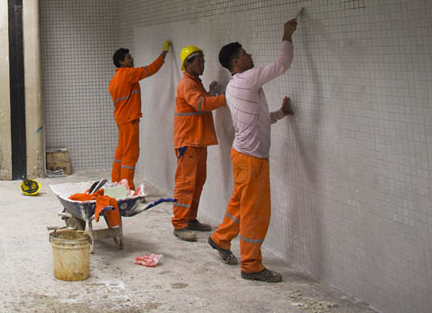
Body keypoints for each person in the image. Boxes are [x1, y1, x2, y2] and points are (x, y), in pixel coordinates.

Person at [207, 19, 297, 283]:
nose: (250, 56)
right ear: (236, 62)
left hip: (243, 156)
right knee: (255, 212)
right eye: (245, 54)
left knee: (240, 203)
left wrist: (281, 113)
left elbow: (256, 119)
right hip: (251, 159)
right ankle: (251, 264)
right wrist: (287, 34)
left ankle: (221, 239)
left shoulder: (238, 86)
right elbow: (283, 63)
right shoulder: (247, 80)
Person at [172, 45, 227, 242]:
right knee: (186, 184)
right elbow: (201, 105)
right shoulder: (187, 84)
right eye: (199, 61)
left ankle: (190, 218)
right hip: (188, 141)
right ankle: (179, 224)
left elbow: (202, 102)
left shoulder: (195, 82)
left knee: (197, 182)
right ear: (188, 64)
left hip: (197, 140)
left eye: (203, 60)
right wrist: (225, 98)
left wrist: (211, 94)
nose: (203, 64)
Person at [108, 41, 170, 186]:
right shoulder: (129, 74)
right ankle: (126, 187)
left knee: (121, 153)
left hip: (121, 119)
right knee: (130, 154)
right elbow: (151, 69)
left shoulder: (114, 79)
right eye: (128, 57)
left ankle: (116, 183)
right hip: (130, 120)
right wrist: (164, 53)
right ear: (121, 62)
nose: (132, 59)